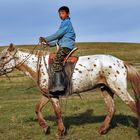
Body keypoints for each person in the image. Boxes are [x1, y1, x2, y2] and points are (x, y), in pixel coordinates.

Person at [39, 6, 76, 93]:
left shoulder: (67, 23)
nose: (60, 15)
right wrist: (48, 44)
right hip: (64, 45)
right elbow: (59, 40)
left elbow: (58, 34)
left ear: (68, 14)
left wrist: (46, 39)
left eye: (63, 13)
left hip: (66, 47)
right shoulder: (64, 23)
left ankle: (59, 85)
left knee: (56, 61)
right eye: (59, 13)